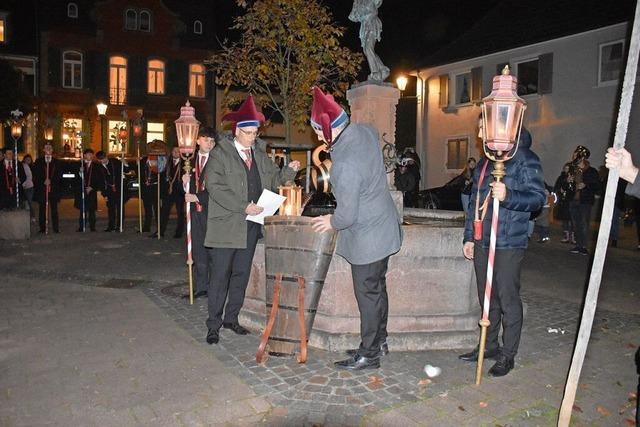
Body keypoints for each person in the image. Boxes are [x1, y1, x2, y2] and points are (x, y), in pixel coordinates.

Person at [310, 87, 402, 371]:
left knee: (368, 296)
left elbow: (347, 215)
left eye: (317, 131)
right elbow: (373, 134)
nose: (316, 137)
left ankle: (369, 355)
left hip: (369, 239)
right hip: (385, 227)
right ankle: (379, 341)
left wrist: (332, 221)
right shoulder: (365, 132)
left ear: (328, 129)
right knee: (378, 289)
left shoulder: (345, 163)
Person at [204, 96, 300, 345]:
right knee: (220, 276)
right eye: (248, 133)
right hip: (227, 225)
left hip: (251, 225)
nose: (253, 137)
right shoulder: (220, 154)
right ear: (237, 131)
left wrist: (289, 171)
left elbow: (274, 179)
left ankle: (231, 318)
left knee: (241, 274)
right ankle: (213, 325)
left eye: (256, 133)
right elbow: (214, 186)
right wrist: (242, 205)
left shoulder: (259, 153)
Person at [459, 128, 545, 377]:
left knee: (508, 299)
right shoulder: (486, 162)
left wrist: (509, 195)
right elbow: (475, 201)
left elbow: (538, 198)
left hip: (508, 242)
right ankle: (489, 345)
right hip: (482, 240)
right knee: (487, 299)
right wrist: (469, 237)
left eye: (483, 126)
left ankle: (508, 355)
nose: (479, 131)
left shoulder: (526, 157)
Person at [182, 127, 216, 299]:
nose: (209, 143)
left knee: (212, 251)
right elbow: (188, 190)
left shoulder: (218, 161)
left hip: (212, 212)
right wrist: (185, 182)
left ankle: (214, 287)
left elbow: (218, 190)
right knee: (198, 250)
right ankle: (200, 286)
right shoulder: (190, 161)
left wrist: (197, 197)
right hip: (195, 213)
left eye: (212, 141)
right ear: (197, 141)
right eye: (205, 140)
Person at [567, 145, 601, 255]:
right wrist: (568, 181)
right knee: (575, 224)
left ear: (582, 157)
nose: (573, 156)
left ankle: (584, 246)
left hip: (585, 201)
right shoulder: (572, 169)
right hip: (573, 200)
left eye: (576, 154)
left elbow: (597, 186)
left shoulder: (592, 171)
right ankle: (578, 245)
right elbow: (566, 185)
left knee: (584, 224)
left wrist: (585, 185)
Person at [605, 146, 640, 249]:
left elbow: (622, 191)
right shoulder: (611, 176)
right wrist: (631, 173)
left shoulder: (621, 182)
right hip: (611, 201)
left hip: (617, 201)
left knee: (614, 221)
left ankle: (614, 239)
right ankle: (610, 238)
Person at [348, 0, 389, 82]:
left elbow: (376, 6)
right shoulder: (358, 2)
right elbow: (352, 17)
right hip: (364, 27)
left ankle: (375, 72)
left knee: (368, 48)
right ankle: (383, 69)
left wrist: (364, 15)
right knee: (367, 51)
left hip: (372, 23)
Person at [33, 142, 63, 233]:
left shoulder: (56, 162)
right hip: (42, 189)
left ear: (52, 149)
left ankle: (56, 228)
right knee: (42, 209)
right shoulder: (39, 161)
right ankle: (42, 228)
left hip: (53, 189)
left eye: (50, 147)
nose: (48, 149)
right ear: (43, 150)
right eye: (46, 148)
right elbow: (36, 174)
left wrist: (51, 181)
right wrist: (43, 181)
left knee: (54, 209)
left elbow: (59, 175)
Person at [156, 146, 184, 238]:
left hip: (180, 192)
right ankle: (160, 231)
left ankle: (179, 232)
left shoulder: (185, 163)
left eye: (178, 151)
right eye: (174, 151)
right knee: (164, 211)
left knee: (180, 212)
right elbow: (160, 171)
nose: (176, 152)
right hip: (169, 191)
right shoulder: (167, 162)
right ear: (171, 152)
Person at [74, 148, 102, 232]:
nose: (90, 156)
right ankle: (82, 226)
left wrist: (92, 187)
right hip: (82, 191)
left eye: (91, 154)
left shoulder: (96, 166)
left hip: (91, 191)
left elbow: (99, 179)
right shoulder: (79, 165)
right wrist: (80, 172)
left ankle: (92, 227)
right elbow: (75, 178)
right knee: (83, 209)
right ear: (84, 155)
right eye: (88, 154)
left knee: (92, 210)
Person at [96, 151, 125, 232]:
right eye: (100, 160)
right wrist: (104, 194)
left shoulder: (115, 162)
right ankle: (111, 226)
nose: (103, 161)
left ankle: (120, 226)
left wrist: (124, 163)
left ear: (106, 156)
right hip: (108, 190)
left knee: (120, 208)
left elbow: (125, 170)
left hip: (118, 188)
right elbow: (100, 182)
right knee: (111, 209)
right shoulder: (99, 167)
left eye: (104, 159)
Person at [140, 155, 164, 233]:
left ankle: (160, 228)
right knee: (147, 209)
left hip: (155, 187)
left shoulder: (158, 160)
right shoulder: (143, 160)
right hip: (145, 189)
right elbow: (139, 171)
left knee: (157, 209)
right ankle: (146, 227)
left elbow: (162, 172)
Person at [553, 163, 575, 244]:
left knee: (572, 219)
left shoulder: (573, 177)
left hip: (571, 200)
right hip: (563, 200)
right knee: (565, 219)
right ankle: (566, 235)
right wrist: (559, 190)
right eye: (565, 168)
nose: (565, 170)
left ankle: (572, 236)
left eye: (567, 168)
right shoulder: (561, 177)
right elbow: (557, 187)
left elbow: (573, 189)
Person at [21, 154, 35, 219]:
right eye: (27, 160)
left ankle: (32, 216)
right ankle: (29, 216)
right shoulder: (24, 166)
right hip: (26, 186)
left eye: (29, 160)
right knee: (26, 202)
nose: (28, 161)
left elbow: (30, 176)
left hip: (29, 186)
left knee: (29, 202)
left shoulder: (31, 166)